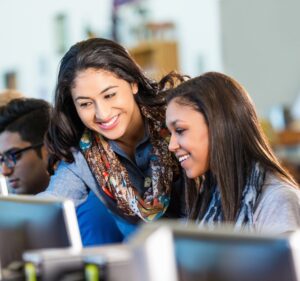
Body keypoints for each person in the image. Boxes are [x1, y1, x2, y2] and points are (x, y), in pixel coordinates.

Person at [42, 37, 186, 238]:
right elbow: (50, 202)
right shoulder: (84, 154)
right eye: (85, 104)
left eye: (109, 95)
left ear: (133, 83)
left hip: (202, 252)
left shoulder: (176, 123)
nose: (102, 113)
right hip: (141, 260)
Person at [165, 71, 300, 234]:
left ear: (219, 126)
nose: (171, 146)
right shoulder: (208, 198)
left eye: (180, 130)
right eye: (170, 133)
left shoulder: (277, 200)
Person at [0, 98, 123, 245]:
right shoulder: (33, 215)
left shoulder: (88, 213)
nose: (5, 170)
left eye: (13, 156)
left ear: (49, 149)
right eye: (1, 159)